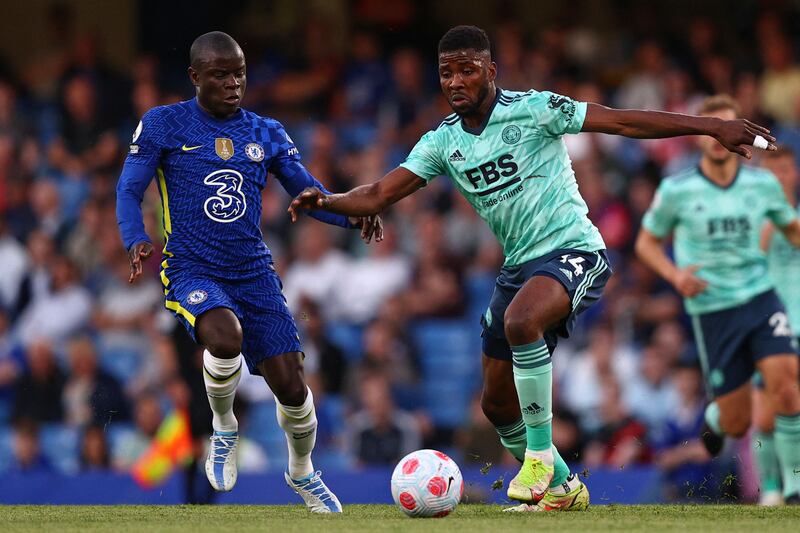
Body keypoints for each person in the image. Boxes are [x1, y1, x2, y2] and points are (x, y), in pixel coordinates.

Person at [288, 25, 775, 512]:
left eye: (467, 70)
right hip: (519, 267)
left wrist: (709, 126)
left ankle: (538, 457)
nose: (455, 81)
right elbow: (377, 193)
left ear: (491, 71)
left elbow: (622, 122)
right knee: (496, 404)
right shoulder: (442, 142)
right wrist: (327, 199)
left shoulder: (534, 108)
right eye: (446, 73)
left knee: (522, 322)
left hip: (575, 250)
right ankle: (563, 487)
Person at [115, 31, 381, 513]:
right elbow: (129, 189)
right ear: (195, 76)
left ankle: (303, 474)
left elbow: (308, 193)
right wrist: (135, 237)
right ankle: (223, 427)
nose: (234, 83)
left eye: (239, 72)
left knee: (292, 386)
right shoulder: (163, 124)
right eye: (221, 74)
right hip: (191, 266)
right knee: (224, 337)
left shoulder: (266, 131)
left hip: (253, 271)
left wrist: (352, 212)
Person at [635, 94, 800, 504]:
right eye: (711, 129)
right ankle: (715, 419)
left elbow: (791, 229)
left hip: (762, 299)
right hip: (713, 310)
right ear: (698, 137)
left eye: (727, 126)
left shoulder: (762, 185)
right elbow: (646, 243)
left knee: (786, 388)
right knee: (739, 420)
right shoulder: (677, 189)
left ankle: (793, 489)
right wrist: (675, 275)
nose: (718, 136)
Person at [754, 145, 800, 505]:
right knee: (766, 416)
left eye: (785, 170)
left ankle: (793, 485)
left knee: (792, 405)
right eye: (773, 172)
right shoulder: (756, 218)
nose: (780, 178)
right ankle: (771, 487)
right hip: (767, 323)